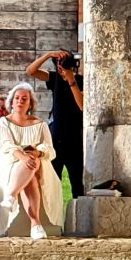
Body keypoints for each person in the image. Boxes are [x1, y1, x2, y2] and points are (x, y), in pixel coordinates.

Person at [0, 83, 63, 240]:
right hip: (11, 162)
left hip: (37, 162)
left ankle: (11, 195)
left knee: (34, 162)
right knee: (30, 171)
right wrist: (23, 156)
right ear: (11, 102)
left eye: (24, 99)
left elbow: (50, 149)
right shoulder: (4, 122)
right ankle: (36, 224)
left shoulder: (40, 124)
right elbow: (6, 145)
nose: (20, 101)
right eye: (17, 98)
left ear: (30, 103)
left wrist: (37, 152)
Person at [26, 49, 84, 198]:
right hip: (55, 138)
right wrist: (48, 55)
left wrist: (71, 79)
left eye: (65, 62)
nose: (61, 66)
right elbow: (31, 71)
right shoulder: (54, 78)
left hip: (75, 139)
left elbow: (82, 105)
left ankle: (78, 219)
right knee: (52, 184)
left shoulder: (82, 81)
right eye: (59, 62)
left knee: (77, 185)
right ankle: (54, 220)